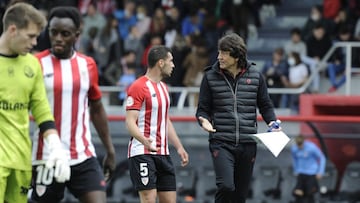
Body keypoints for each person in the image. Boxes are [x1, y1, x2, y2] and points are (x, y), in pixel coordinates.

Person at [31, 6, 116, 203]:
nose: (58, 38)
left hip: (82, 154)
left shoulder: (87, 65)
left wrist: (110, 150)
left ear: (77, 35)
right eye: (53, 32)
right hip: (46, 156)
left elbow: (97, 109)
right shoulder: (35, 64)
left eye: (65, 33)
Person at [196, 33, 281, 203]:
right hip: (221, 141)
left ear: (236, 56)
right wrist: (203, 120)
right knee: (226, 186)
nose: (219, 57)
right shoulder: (210, 77)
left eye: (224, 53)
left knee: (240, 196)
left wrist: (272, 121)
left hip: (248, 143)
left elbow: (265, 105)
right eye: (219, 52)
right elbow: (202, 109)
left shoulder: (256, 76)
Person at [0, 3, 70, 203]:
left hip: (22, 160)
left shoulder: (32, 64)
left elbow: (42, 111)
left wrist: (56, 147)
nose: (35, 42)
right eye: (30, 36)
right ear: (13, 30)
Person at [125, 45, 189, 203]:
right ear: (161, 63)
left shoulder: (164, 89)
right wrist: (144, 140)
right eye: (171, 61)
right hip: (143, 153)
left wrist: (179, 146)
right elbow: (129, 122)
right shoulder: (138, 86)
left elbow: (165, 119)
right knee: (148, 199)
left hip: (163, 154)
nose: (173, 65)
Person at [291, 135, 326, 203]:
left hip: (311, 173)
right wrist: (296, 170)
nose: (299, 146)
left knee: (309, 193)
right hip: (301, 173)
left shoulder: (311, 147)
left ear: (304, 142)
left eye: (301, 144)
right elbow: (295, 159)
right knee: (297, 192)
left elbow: (322, 158)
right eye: (298, 145)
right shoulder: (294, 149)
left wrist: (320, 172)